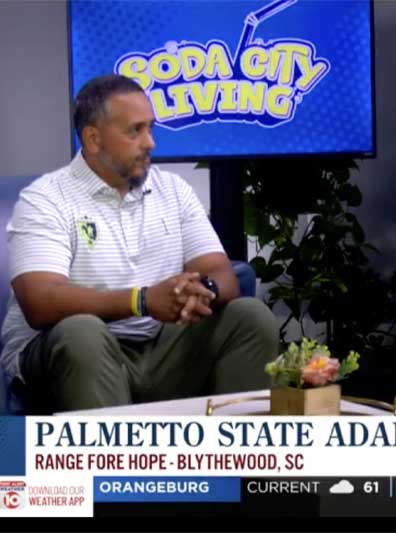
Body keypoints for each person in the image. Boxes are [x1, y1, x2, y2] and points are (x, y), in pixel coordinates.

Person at [0, 74, 280, 413]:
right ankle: (112, 450)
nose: (150, 143)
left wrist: (198, 291)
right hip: (70, 353)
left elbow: (220, 273)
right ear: (93, 139)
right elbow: (39, 301)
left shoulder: (173, 190)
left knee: (249, 317)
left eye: (151, 128)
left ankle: (235, 446)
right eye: (135, 131)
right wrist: (142, 300)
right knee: (82, 332)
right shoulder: (45, 199)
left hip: (159, 345)